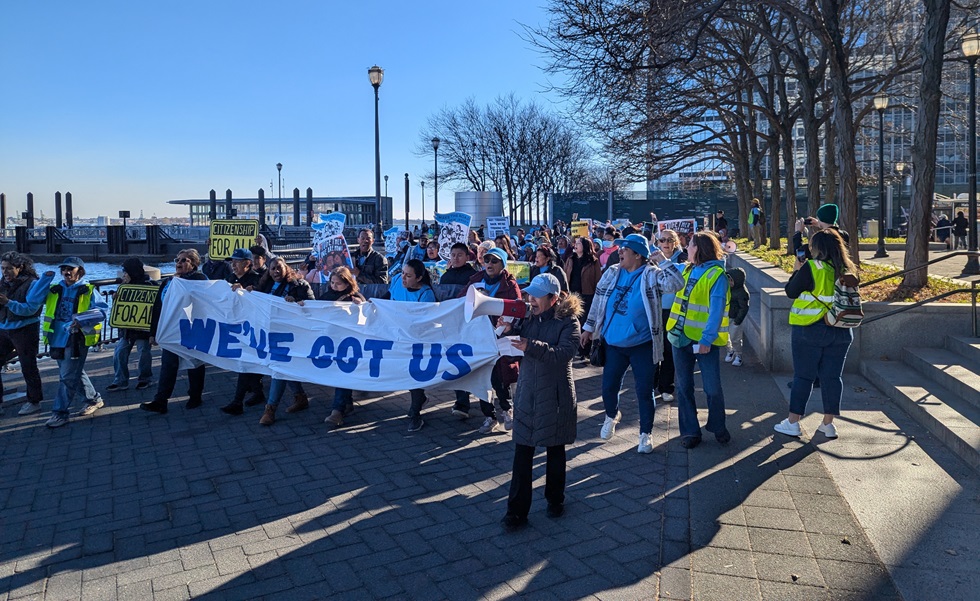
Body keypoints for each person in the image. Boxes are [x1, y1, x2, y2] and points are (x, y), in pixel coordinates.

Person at [581, 234, 684, 453]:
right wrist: (589, 328)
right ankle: (611, 415)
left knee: (644, 391)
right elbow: (599, 300)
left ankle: (645, 434)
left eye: (625, 249)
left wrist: (663, 261)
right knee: (609, 387)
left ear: (638, 255)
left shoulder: (651, 274)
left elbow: (677, 284)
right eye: (620, 248)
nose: (620, 252)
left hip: (642, 345)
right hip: (613, 344)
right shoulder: (612, 272)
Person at [499, 273, 581, 531]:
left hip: (555, 395)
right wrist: (509, 329)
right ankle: (516, 512)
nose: (530, 299)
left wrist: (529, 345)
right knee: (522, 452)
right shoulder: (528, 316)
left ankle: (555, 499)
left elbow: (564, 354)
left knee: (555, 450)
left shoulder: (569, 322)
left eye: (536, 296)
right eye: (529, 294)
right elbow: (519, 339)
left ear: (554, 298)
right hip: (527, 393)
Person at [775, 229, 856, 440]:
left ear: (817, 248)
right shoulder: (848, 269)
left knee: (804, 376)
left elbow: (791, 291)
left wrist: (797, 269)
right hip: (841, 329)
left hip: (810, 329)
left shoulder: (812, 267)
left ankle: (793, 422)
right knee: (832, 377)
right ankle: (828, 425)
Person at [666, 232, 731, 449]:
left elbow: (716, 312)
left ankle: (718, 426)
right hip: (679, 337)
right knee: (684, 387)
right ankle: (690, 432)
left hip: (704, 342)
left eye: (691, 245)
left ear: (699, 249)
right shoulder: (686, 269)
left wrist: (706, 339)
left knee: (712, 388)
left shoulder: (717, 275)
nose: (687, 249)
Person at [40, 257, 108, 428]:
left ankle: (60, 413)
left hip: (77, 337)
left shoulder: (88, 290)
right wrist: (44, 278)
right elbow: (33, 299)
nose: (66, 272)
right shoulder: (54, 289)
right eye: (63, 269)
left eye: (71, 269)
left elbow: (102, 311)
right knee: (72, 373)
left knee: (67, 376)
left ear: (80, 271)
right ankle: (93, 399)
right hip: (56, 337)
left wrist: (82, 320)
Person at [140, 250, 208, 415]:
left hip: (191, 328)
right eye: (177, 259)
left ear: (193, 263)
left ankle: (195, 396)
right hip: (170, 329)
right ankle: (160, 401)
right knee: (168, 364)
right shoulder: (168, 282)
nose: (179, 262)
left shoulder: (199, 280)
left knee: (194, 363)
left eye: (184, 260)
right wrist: (153, 332)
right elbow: (158, 308)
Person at [463, 248, 521, 434]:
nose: (489, 264)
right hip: (479, 336)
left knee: (500, 376)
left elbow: (517, 308)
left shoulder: (510, 285)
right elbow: (460, 302)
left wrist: (506, 326)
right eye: (487, 260)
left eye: (494, 261)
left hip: (500, 336)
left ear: (503, 265)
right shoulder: (475, 280)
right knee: (482, 377)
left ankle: (507, 409)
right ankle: (489, 416)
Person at [254, 258, 316, 425]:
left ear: (286, 268)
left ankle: (270, 408)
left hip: (291, 334)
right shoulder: (265, 285)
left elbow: (312, 307)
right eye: (273, 268)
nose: (276, 272)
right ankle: (300, 397)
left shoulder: (299, 285)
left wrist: (296, 303)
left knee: (279, 367)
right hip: (271, 332)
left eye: (279, 268)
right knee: (284, 366)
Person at [389, 259, 437, 430]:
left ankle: (415, 411)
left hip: (417, 339)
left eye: (408, 276)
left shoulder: (426, 294)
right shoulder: (395, 281)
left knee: (413, 373)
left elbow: (426, 321)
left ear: (419, 278)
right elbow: (386, 300)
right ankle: (419, 400)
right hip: (396, 335)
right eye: (403, 273)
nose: (403, 278)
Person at [0, 252, 47, 416]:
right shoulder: (4, 283)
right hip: (4, 327)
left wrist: (8, 302)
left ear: (20, 268)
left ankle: (34, 401)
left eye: (9, 269)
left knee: (28, 366)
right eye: (2, 268)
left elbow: (31, 309)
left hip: (25, 329)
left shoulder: (33, 284)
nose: (5, 273)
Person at [220, 248, 265, 415]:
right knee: (246, 362)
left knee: (245, 363)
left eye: (237, 262)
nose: (233, 265)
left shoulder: (257, 280)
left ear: (248, 264)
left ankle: (237, 401)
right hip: (236, 326)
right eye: (232, 261)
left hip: (253, 327)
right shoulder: (228, 279)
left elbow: (263, 300)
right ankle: (257, 392)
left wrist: (247, 291)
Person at [322, 267, 367, 427]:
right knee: (340, 374)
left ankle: (337, 410)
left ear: (347, 283)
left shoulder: (355, 297)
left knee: (342, 373)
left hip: (349, 344)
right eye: (332, 282)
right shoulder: (326, 296)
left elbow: (367, 314)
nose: (334, 286)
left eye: (338, 284)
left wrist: (361, 305)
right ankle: (346, 404)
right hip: (330, 341)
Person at [106, 257, 156, 392]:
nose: (123, 275)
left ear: (132, 272)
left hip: (144, 329)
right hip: (128, 329)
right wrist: (116, 298)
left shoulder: (150, 286)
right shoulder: (124, 287)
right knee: (119, 353)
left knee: (144, 353)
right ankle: (121, 380)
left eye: (125, 272)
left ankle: (145, 379)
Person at [653, 230, 687, 403]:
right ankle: (652, 383)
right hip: (653, 310)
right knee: (651, 348)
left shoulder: (682, 263)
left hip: (671, 312)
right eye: (662, 240)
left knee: (668, 349)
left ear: (675, 242)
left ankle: (666, 386)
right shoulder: (651, 261)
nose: (665, 243)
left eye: (669, 240)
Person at [564, 236, 602, 360]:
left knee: (586, 323)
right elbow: (565, 275)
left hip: (587, 295)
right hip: (573, 294)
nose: (576, 245)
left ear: (585, 246)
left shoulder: (593, 261)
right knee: (573, 321)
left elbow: (598, 280)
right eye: (576, 243)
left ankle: (584, 350)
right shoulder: (570, 259)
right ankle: (574, 347)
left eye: (579, 243)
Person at [724, 267, 749, 367]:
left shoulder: (742, 292)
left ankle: (738, 355)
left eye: (731, 280)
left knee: (735, 338)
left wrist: (738, 320)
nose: (729, 282)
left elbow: (744, 308)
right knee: (725, 336)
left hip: (735, 319)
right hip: (726, 316)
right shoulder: (727, 289)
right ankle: (730, 350)